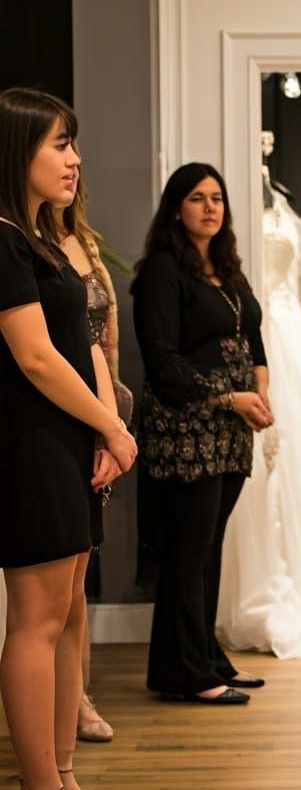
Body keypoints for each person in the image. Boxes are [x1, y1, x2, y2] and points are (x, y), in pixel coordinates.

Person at [0, 87, 137, 790]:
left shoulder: (47, 240)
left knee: (69, 612)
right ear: (19, 151)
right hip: (26, 446)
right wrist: (111, 425)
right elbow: (34, 355)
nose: (75, 159)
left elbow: (84, 339)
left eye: (74, 144)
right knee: (37, 620)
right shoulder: (3, 241)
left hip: (67, 440)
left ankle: (62, 780)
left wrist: (102, 430)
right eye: (59, 144)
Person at [132, 162, 273, 705]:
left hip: (231, 430)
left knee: (208, 548)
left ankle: (205, 658)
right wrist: (231, 397)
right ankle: (184, 672)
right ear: (176, 207)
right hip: (186, 429)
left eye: (217, 198)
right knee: (187, 551)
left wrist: (261, 389)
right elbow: (162, 361)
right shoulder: (163, 271)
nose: (210, 207)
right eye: (197, 198)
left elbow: (253, 337)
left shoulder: (227, 270)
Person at [56, 172, 134, 744]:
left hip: (103, 413)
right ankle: (67, 704)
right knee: (55, 587)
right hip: (61, 417)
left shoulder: (86, 241)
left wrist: (113, 423)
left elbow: (104, 341)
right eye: (60, 147)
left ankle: (77, 693)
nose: (75, 163)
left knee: (81, 576)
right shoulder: (25, 249)